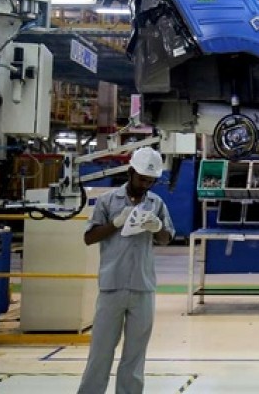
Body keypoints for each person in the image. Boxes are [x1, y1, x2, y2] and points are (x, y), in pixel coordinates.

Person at [77, 147, 174, 394]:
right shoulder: (107, 201)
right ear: (130, 172)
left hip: (143, 287)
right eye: (142, 179)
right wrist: (115, 223)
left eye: (150, 181)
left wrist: (157, 228)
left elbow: (166, 239)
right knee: (100, 352)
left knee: (135, 355)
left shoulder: (156, 203)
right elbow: (89, 237)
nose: (146, 185)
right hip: (112, 286)